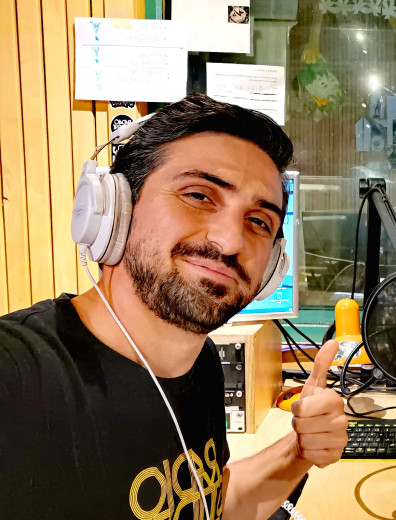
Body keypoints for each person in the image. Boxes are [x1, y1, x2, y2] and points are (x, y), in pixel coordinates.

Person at [0, 93, 348, 519]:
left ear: (273, 266)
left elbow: (208, 505)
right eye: (199, 195)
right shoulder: (16, 375)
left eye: (259, 222)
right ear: (113, 209)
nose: (229, 241)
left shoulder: (201, 363)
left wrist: (299, 451)